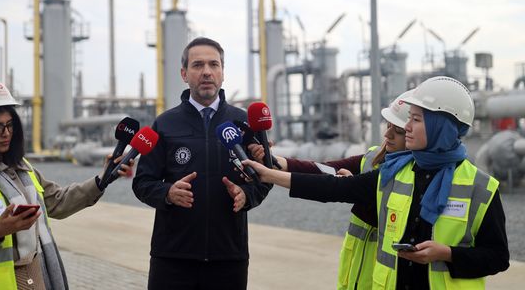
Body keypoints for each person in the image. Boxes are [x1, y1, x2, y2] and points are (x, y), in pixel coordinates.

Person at [244, 76, 509, 289]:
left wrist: (446, 254)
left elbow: (497, 257)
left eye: (415, 120)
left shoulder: (480, 188)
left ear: (441, 127)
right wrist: (269, 172)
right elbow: (332, 186)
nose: (407, 129)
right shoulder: (395, 173)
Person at [0, 75, 133, 290]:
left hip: (38, 276)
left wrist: (101, 180)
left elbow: (57, 201)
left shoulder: (22, 168)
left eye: (10, 125)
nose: (6, 133)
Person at [132, 37, 272, 290]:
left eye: (213, 65)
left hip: (228, 257)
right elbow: (142, 182)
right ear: (184, 74)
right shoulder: (164, 124)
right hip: (172, 258)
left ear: (222, 72)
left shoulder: (244, 124)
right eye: (198, 65)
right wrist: (167, 193)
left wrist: (247, 195)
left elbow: (265, 178)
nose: (206, 72)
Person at [248, 89, 413, 290]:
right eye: (388, 126)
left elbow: (333, 188)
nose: (387, 134)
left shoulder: (413, 173)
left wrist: (268, 174)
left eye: (399, 131)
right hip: (360, 276)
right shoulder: (374, 158)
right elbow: (323, 169)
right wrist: (273, 161)